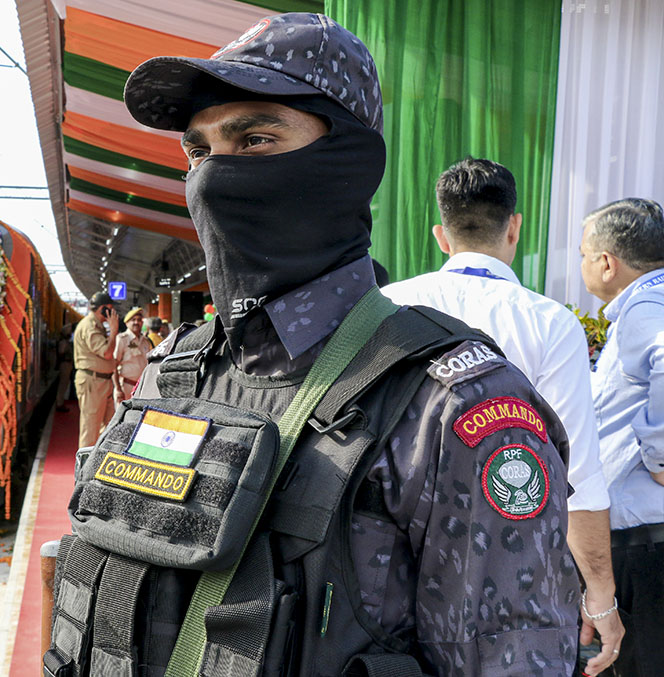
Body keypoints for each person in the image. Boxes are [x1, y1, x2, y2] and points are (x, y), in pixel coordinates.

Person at [48, 12, 579, 676]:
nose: (213, 180)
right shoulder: (174, 370)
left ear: (348, 164)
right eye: (200, 151)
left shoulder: (452, 409)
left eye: (257, 139)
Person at [382, 158, 622, 674]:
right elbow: (575, 475)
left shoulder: (386, 307)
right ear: (514, 226)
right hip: (512, 572)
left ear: (441, 235)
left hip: (388, 564)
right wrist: (601, 599)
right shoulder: (549, 322)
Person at [579, 198, 664, 676]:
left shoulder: (646, 308)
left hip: (645, 548)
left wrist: (661, 459)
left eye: (583, 254)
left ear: (607, 263)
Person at [73, 291, 119, 448]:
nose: (112, 313)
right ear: (102, 309)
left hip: (102, 381)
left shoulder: (97, 325)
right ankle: (84, 470)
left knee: (107, 427)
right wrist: (114, 331)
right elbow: (106, 352)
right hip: (93, 381)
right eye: (110, 309)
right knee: (91, 428)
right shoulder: (89, 326)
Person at [113, 307, 152, 405]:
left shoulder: (145, 341)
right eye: (133, 320)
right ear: (127, 323)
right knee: (123, 418)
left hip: (142, 388)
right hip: (126, 386)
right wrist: (118, 389)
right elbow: (113, 365)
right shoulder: (122, 339)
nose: (136, 322)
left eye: (139, 320)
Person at [54, 323, 74, 412]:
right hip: (65, 364)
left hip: (67, 364)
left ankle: (60, 402)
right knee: (63, 384)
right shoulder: (64, 342)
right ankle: (59, 403)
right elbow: (61, 352)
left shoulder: (65, 341)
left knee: (64, 384)